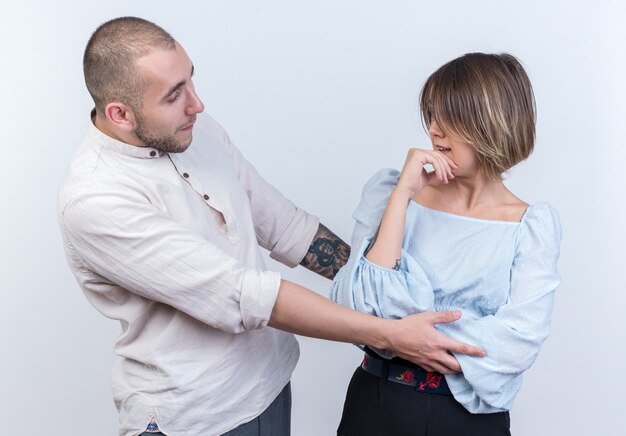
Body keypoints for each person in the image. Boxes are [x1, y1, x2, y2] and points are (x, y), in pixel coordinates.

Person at [57, 17, 485, 436]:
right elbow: (246, 296)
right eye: (174, 95)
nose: (197, 104)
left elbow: (284, 226)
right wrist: (391, 334)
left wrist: (375, 284)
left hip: (269, 386)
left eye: (191, 80)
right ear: (120, 114)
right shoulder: (95, 200)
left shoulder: (194, 129)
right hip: (192, 417)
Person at [331, 52, 562, 435]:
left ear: (491, 123)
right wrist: (403, 194)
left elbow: (516, 346)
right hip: (373, 404)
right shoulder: (390, 191)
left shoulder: (531, 225)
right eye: (432, 116)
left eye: (449, 118)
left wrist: (395, 328)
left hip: (467, 421)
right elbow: (354, 305)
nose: (434, 131)